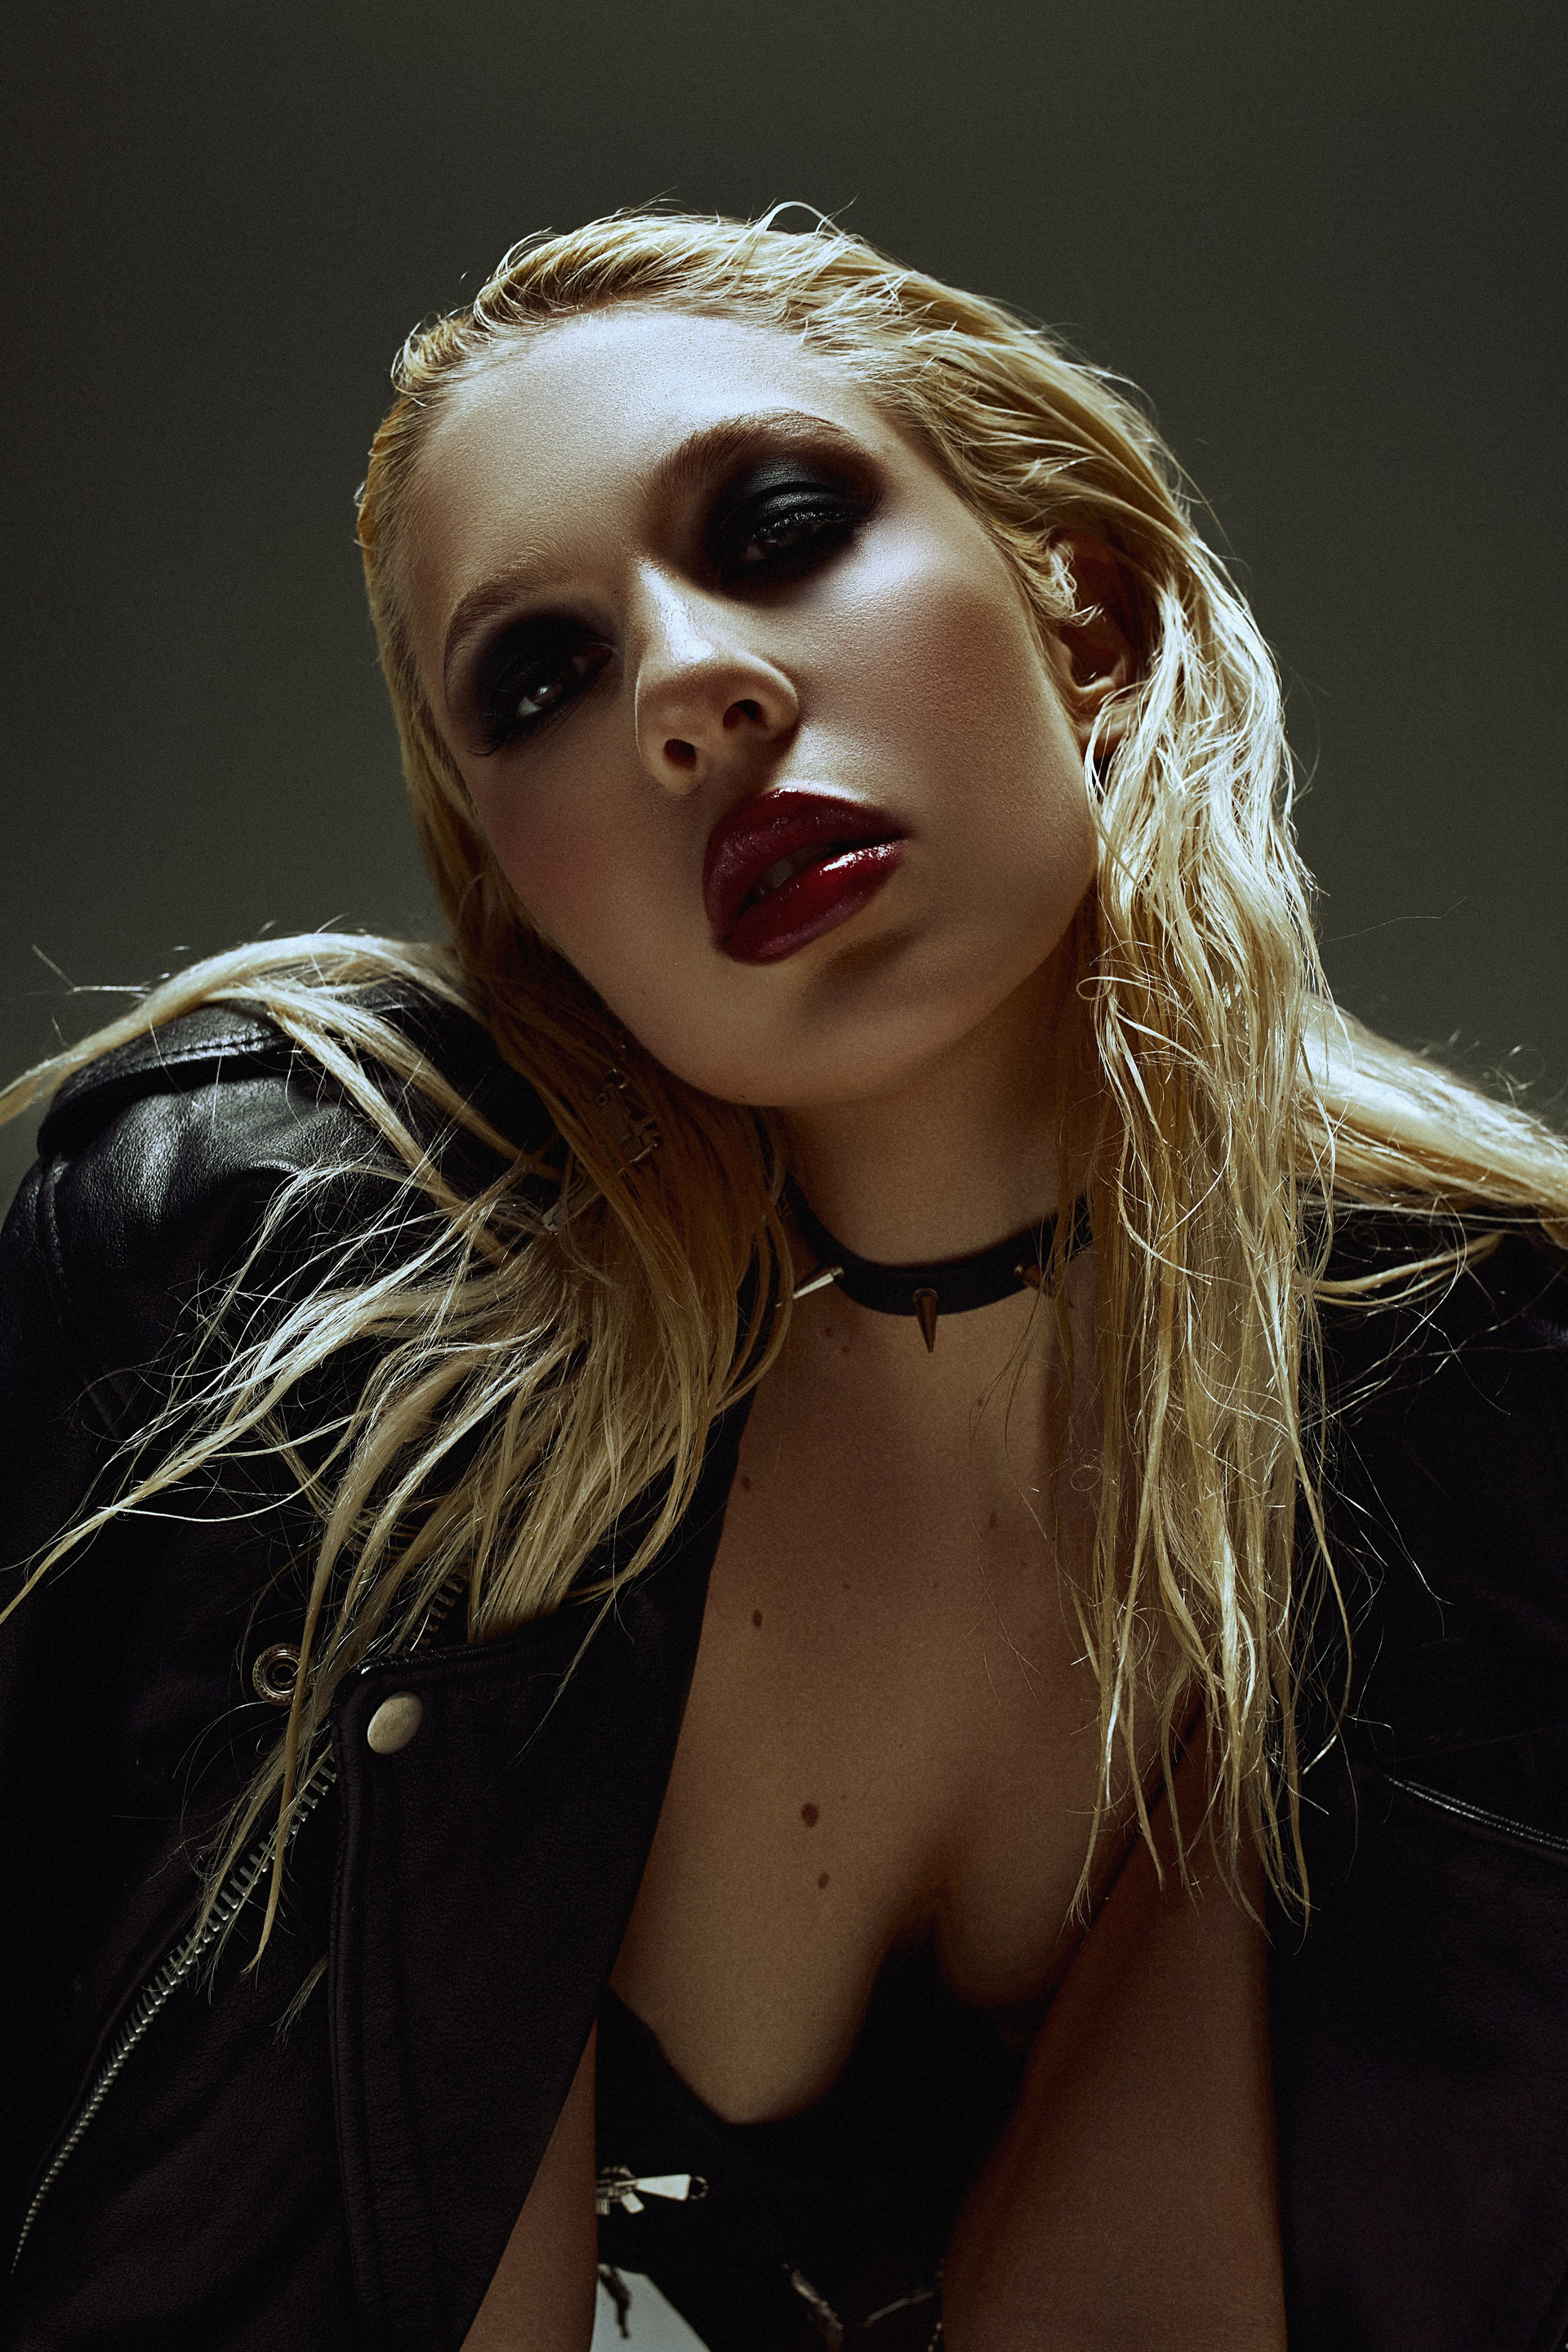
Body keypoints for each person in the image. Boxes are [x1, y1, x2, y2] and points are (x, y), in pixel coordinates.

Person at [1, 208, 1566, 2352]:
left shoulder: (1494, 1427)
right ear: (528, 908)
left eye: (779, 528)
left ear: (1091, 621)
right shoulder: (300, 1308)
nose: (686, 687)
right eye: (538, 680)